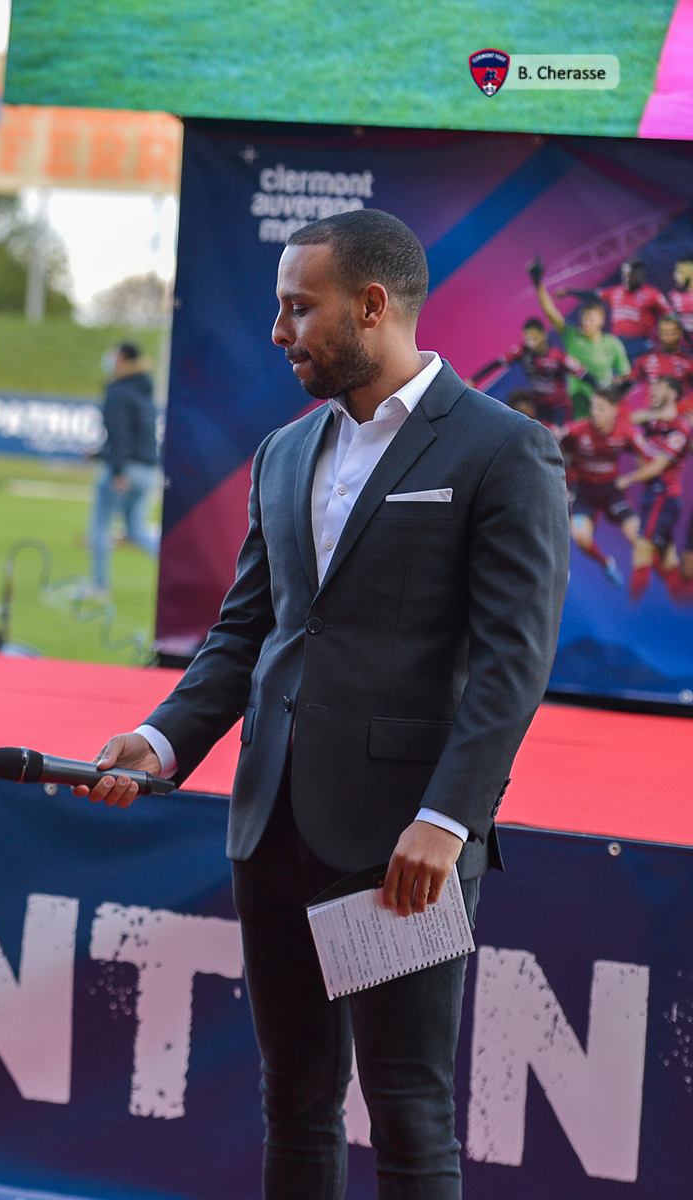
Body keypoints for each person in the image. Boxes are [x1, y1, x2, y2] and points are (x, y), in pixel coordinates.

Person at [78, 210, 568, 1200]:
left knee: (406, 1111)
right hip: (271, 828)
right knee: (293, 1100)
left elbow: (514, 663)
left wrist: (444, 820)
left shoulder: (500, 451)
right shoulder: (283, 454)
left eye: (298, 308)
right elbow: (244, 636)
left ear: (372, 306)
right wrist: (158, 742)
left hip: (400, 850)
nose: (278, 331)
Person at [86, 341, 160, 598]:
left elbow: (119, 434)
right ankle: (183, 567)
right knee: (137, 531)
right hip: (147, 469)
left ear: (122, 359)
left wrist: (117, 470)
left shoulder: (117, 392)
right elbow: (136, 434)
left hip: (124, 469)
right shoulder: (144, 390)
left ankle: (98, 586)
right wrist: (100, 453)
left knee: (99, 527)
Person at [618, 377, 692, 600]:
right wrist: (653, 415)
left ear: (671, 393)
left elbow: (657, 467)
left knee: (642, 548)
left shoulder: (680, 430)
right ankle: (682, 601)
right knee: (667, 556)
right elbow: (624, 421)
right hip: (652, 496)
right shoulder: (653, 422)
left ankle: (631, 608)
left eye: (658, 387)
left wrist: (628, 479)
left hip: (664, 496)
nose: (651, 390)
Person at [530, 258, 630, 420]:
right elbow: (550, 312)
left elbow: (625, 375)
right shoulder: (572, 336)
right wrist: (538, 283)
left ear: (601, 321)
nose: (586, 322)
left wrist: (613, 393)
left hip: (603, 406)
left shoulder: (613, 343)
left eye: (591, 318)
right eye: (584, 318)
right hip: (577, 407)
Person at [560, 389, 638, 589]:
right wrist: (564, 482)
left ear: (615, 410)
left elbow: (650, 457)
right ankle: (606, 563)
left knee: (637, 536)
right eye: (593, 406)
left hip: (611, 491)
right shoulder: (575, 431)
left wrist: (631, 478)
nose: (595, 412)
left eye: (601, 408)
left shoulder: (626, 433)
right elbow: (555, 449)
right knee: (581, 538)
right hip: (583, 492)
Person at [468, 317, 599, 432]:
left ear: (543, 335)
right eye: (527, 338)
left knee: (560, 443)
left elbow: (582, 374)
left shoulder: (558, 357)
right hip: (539, 407)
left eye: (534, 338)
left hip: (559, 409)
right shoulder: (522, 351)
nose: (530, 343)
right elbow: (498, 362)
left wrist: (603, 389)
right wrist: (473, 380)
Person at [594, 258, 668, 359]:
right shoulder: (615, 292)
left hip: (641, 345)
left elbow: (670, 316)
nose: (626, 279)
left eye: (630, 275)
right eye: (624, 275)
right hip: (619, 344)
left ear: (640, 275)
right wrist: (570, 292)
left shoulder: (653, 294)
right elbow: (593, 295)